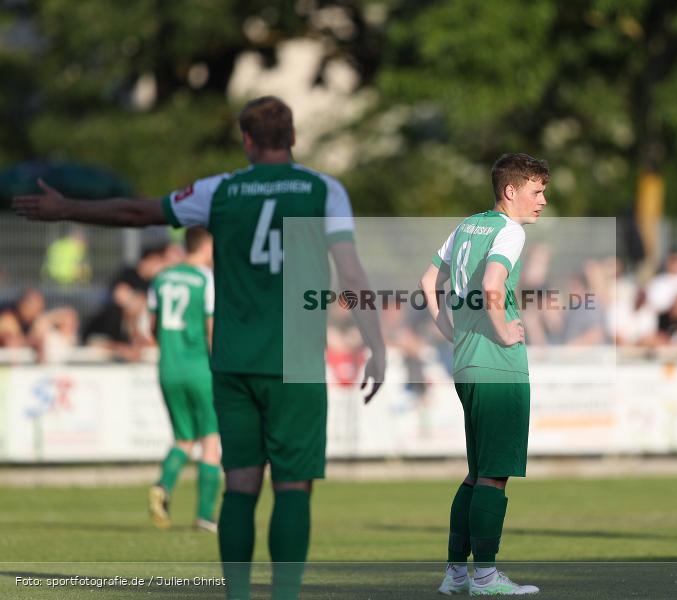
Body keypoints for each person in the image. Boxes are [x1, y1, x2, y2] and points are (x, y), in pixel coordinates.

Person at [13, 95, 386, 600]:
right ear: (293, 138)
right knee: (293, 486)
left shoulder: (220, 190)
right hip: (295, 359)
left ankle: (236, 594)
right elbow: (352, 270)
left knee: (240, 484)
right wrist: (375, 343)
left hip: (232, 361)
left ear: (247, 140)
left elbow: (136, 211)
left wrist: (66, 208)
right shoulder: (325, 190)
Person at [419, 153, 546, 596]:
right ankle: (487, 578)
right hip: (497, 365)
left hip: (466, 362)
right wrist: (505, 332)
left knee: (476, 473)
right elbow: (493, 285)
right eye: (536, 190)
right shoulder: (509, 232)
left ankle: (455, 575)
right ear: (511, 191)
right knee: (494, 474)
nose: (543, 200)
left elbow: (426, 282)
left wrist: (447, 329)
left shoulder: (468, 225)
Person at [146, 227, 220, 533]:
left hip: (167, 367)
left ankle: (163, 486)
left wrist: (168, 345)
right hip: (199, 367)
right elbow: (211, 326)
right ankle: (204, 516)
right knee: (211, 441)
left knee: (183, 439)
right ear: (205, 246)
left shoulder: (161, 278)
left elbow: (151, 325)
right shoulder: (206, 278)